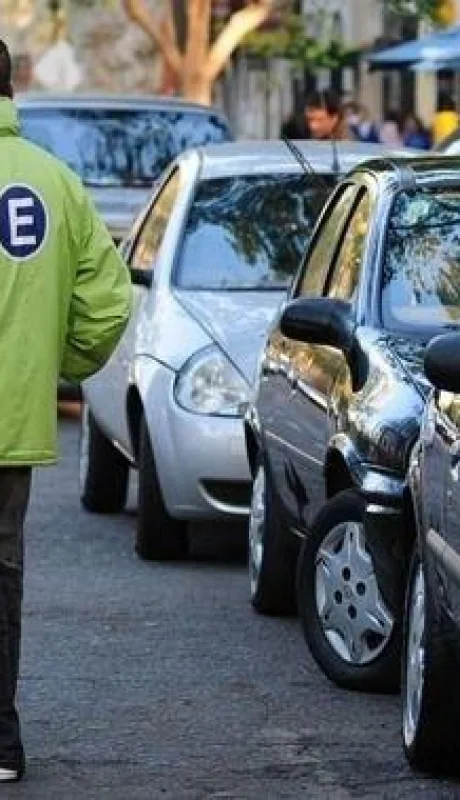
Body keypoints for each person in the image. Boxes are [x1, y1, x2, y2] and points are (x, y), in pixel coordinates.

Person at [0, 39, 132, 782]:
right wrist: (58, 365)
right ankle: (2, 740)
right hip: (11, 419)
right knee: (1, 573)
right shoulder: (54, 182)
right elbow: (109, 301)